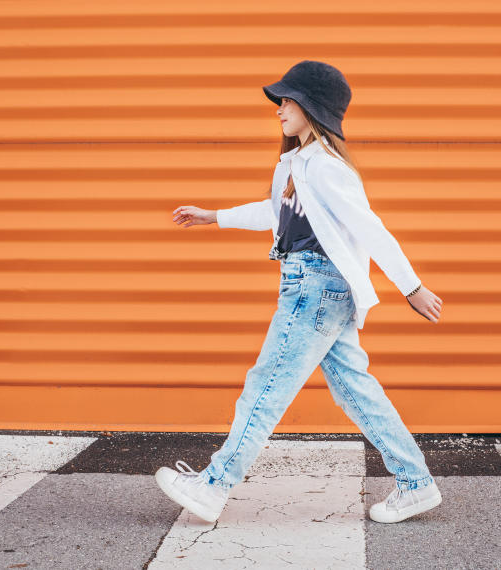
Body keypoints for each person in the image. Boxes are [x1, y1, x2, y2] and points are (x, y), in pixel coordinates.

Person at [155, 60, 444, 525]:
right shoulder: (298, 164)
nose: (278, 110)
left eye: (287, 101)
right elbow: (275, 213)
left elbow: (369, 227)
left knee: (265, 387)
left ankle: (213, 485)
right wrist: (214, 216)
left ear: (312, 107)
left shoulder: (326, 168)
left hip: (315, 287)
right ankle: (416, 483)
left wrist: (411, 286)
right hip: (320, 289)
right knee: (357, 392)